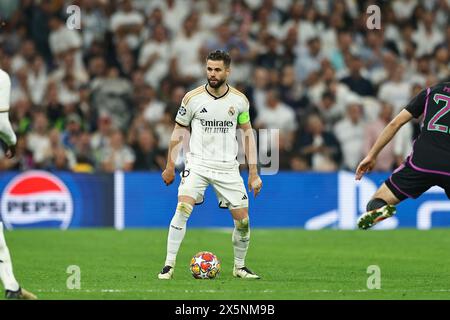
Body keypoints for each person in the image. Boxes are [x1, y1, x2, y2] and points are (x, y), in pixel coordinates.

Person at [158, 50, 263, 280]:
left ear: (227, 71)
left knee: (243, 221)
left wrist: (254, 174)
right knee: (183, 208)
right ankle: (168, 265)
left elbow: (247, 135)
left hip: (227, 167)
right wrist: (170, 165)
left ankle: (239, 267)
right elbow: (178, 130)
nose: (212, 74)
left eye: (217, 70)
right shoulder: (192, 98)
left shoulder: (239, 101)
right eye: (209, 69)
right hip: (197, 164)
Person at [355, 82, 450, 230]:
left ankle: (381, 210)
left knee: (377, 201)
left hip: (421, 163)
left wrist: (371, 155)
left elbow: (395, 123)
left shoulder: (432, 91)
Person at [0, 68, 37, 299]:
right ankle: (12, 286)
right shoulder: (1, 77)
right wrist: (12, 143)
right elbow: (2, 124)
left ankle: (12, 285)